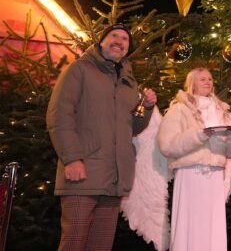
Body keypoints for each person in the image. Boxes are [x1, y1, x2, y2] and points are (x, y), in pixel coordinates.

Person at [46, 23, 157, 250]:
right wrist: (72, 158)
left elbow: (131, 128)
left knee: (101, 245)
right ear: (101, 42)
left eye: (125, 39)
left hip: (114, 177)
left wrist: (146, 108)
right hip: (83, 172)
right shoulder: (80, 69)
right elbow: (59, 116)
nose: (119, 41)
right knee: (74, 242)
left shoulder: (129, 82)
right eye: (113, 36)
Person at [158, 67, 231, 251]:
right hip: (190, 173)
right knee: (189, 223)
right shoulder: (179, 110)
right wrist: (199, 135)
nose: (208, 82)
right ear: (192, 84)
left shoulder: (221, 111)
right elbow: (167, 145)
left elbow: (230, 153)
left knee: (212, 225)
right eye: (202, 79)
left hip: (215, 176)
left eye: (210, 79)